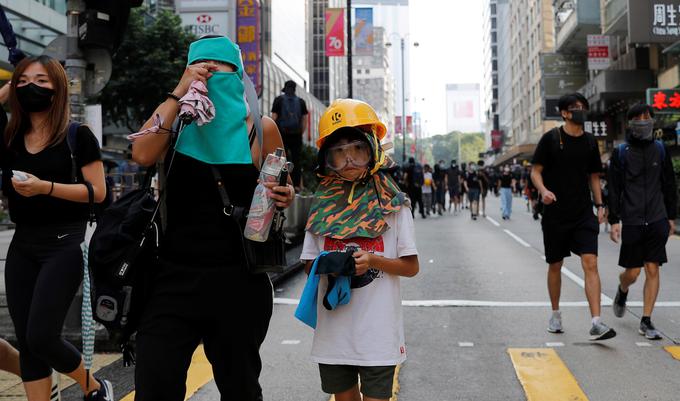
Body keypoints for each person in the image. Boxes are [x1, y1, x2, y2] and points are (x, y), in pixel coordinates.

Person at [131, 36, 294, 401]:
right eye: (200, 65)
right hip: (172, 277)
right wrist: (179, 91)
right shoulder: (177, 121)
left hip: (239, 279)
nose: (210, 72)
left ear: (238, 73)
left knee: (240, 389)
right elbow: (141, 153)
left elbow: (284, 187)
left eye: (220, 66)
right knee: (155, 385)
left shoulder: (260, 128)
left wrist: (286, 195)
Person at [0, 55, 113, 400]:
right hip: (23, 243)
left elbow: (99, 193)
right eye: (22, 81)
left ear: (58, 88)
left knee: (42, 336)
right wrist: (7, 92)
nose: (29, 87)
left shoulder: (78, 136)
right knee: (27, 338)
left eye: (41, 81)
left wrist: (44, 187)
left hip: (66, 242)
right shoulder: (10, 136)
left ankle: (94, 385)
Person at [300, 98, 419, 401]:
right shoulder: (322, 204)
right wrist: (329, 264)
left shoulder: (394, 203)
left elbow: (410, 266)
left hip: (378, 334)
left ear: (372, 150)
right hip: (334, 333)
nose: (349, 160)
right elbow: (308, 265)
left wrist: (374, 261)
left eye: (357, 149)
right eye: (339, 153)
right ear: (327, 158)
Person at [531, 92, 615, 341]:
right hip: (556, 214)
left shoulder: (590, 142)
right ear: (564, 113)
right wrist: (544, 191)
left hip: (582, 213)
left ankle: (596, 322)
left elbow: (593, 176)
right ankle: (555, 314)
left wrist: (600, 205)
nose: (580, 110)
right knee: (555, 264)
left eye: (583, 106)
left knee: (591, 262)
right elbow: (536, 172)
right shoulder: (551, 139)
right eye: (575, 107)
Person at [608, 103, 677, 340]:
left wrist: (670, 216)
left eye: (647, 117)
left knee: (652, 268)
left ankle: (646, 320)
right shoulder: (621, 152)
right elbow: (615, 188)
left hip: (657, 217)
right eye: (638, 118)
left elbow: (669, 183)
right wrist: (614, 219)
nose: (644, 121)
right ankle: (623, 288)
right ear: (630, 123)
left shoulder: (660, 149)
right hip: (633, 218)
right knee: (633, 272)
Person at [271, 80, 308, 189]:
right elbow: (305, 120)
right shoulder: (301, 102)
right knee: (296, 160)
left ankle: (282, 182)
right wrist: (301, 132)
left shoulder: (278, 100)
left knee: (281, 159)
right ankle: (296, 185)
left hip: (282, 134)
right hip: (296, 135)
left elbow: (274, 117)